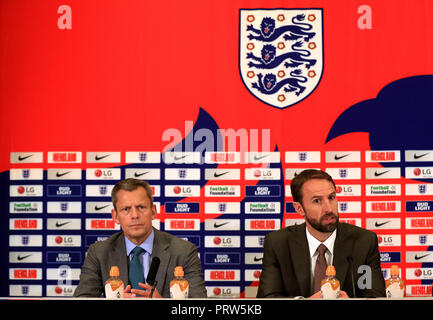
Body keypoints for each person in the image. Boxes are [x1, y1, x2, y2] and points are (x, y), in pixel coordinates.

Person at [257, 169, 386, 298]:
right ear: (299, 208)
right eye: (317, 201)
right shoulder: (278, 244)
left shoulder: (363, 243)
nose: (329, 208)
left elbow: (373, 296)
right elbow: (268, 299)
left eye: (331, 197)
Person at [74, 178, 207, 298]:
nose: (134, 215)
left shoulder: (183, 251)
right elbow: (82, 298)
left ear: (153, 211)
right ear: (115, 216)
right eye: (126, 209)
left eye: (141, 207)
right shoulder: (99, 252)